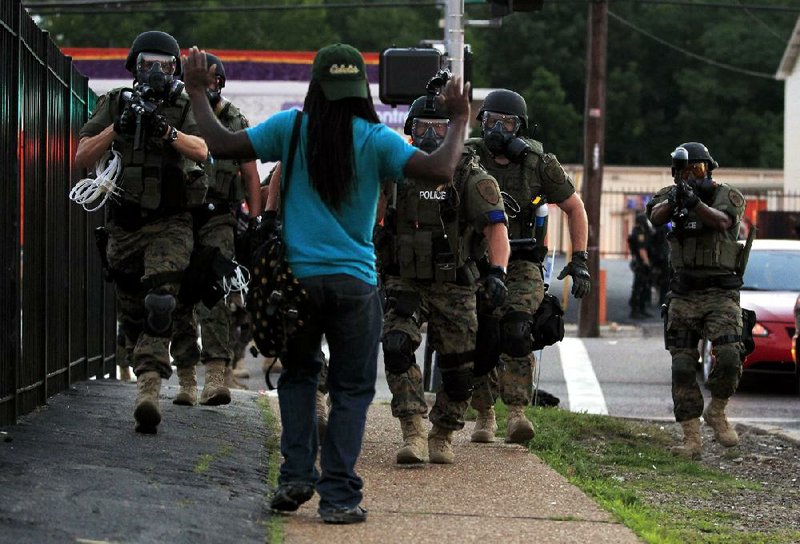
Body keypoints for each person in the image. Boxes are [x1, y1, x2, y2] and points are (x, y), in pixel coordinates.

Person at [181, 43, 473, 524]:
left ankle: (296, 476)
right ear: (360, 90)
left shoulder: (291, 128)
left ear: (316, 85)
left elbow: (224, 144)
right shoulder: (376, 139)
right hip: (355, 284)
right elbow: (440, 169)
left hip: (295, 282)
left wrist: (195, 91)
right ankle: (338, 496)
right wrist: (459, 118)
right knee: (351, 390)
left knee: (298, 377)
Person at [74, 31, 208, 434]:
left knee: (161, 302)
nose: (155, 72)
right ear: (134, 66)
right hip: (126, 225)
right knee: (133, 316)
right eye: (148, 63)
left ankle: (149, 391)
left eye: (164, 65)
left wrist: (166, 132)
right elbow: (81, 156)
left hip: (170, 222)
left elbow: (203, 149)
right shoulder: (115, 102)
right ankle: (145, 375)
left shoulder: (184, 106)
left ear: (175, 70)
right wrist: (118, 127)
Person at [378, 96, 510, 465]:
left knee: (458, 369)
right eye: (423, 127)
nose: (432, 135)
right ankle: (412, 430)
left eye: (441, 128)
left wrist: (497, 273)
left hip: (455, 285)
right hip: (406, 281)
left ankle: (443, 433)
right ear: (410, 130)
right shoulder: (394, 173)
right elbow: (373, 219)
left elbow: (497, 231)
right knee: (396, 344)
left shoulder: (471, 176)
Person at [464, 89, 590, 443]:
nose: (497, 130)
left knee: (518, 329)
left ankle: (517, 414)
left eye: (506, 123)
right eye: (490, 122)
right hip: (477, 261)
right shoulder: (469, 157)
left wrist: (579, 260)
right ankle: (484, 414)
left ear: (520, 128)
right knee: (477, 334)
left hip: (522, 261)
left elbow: (575, 208)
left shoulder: (539, 163)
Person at [169, 52, 261, 406]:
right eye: (199, 80)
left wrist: (255, 223)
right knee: (177, 296)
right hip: (179, 217)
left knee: (216, 294)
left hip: (219, 217)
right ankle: (187, 377)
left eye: (211, 80)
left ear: (220, 83)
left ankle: (217, 376)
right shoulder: (179, 114)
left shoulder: (235, 121)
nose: (207, 87)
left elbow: (250, 175)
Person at [646, 141, 746, 459]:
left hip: (720, 293)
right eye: (684, 172)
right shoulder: (669, 194)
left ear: (709, 170)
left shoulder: (727, 195)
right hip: (684, 293)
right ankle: (691, 438)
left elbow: (722, 221)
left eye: (697, 170)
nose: (691, 177)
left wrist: (695, 204)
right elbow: (656, 218)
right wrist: (678, 199)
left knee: (730, 354)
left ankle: (717, 410)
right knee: (683, 365)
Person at [628, 212, 653, 319]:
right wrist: (647, 262)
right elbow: (641, 249)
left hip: (637, 261)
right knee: (639, 287)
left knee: (642, 286)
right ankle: (635, 311)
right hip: (641, 263)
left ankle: (641, 309)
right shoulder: (640, 233)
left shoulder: (635, 231)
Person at [649, 223, 671, 306]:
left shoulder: (654, 227)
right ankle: (662, 299)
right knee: (665, 279)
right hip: (663, 256)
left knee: (654, 278)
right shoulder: (665, 227)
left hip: (655, 256)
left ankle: (655, 299)